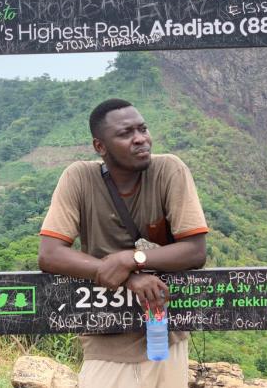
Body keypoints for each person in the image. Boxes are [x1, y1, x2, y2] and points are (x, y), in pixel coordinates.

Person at [38, 98, 208, 388]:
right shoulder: (79, 178)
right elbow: (50, 255)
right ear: (100, 147)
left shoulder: (169, 171)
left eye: (142, 129)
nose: (140, 139)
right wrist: (129, 278)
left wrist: (131, 259)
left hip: (165, 336)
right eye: (125, 133)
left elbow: (195, 250)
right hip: (105, 335)